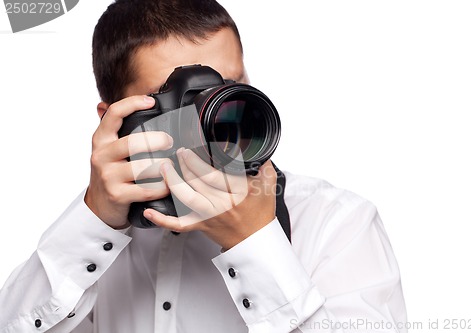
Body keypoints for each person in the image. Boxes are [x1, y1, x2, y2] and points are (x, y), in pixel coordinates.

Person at [0, 0, 407, 332]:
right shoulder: (98, 239)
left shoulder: (336, 222)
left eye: (228, 88)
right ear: (115, 120)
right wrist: (95, 221)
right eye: (182, 100)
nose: (215, 114)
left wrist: (254, 244)